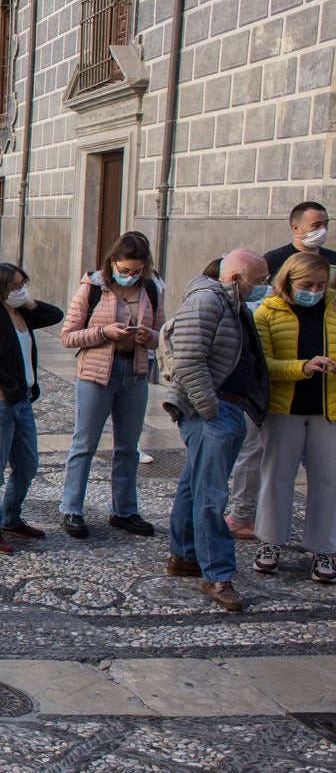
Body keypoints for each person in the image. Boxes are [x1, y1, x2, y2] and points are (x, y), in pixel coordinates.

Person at [163, 248, 271, 612]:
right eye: (259, 281)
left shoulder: (231, 303)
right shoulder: (208, 302)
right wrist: (210, 409)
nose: (265, 287)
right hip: (212, 409)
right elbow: (189, 359)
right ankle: (218, 575)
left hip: (225, 407)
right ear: (236, 278)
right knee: (211, 495)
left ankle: (184, 555)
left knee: (194, 485)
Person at [57, 233, 164, 540]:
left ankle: (124, 510)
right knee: (84, 443)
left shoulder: (151, 289)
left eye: (136, 271)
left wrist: (149, 336)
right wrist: (104, 332)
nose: (130, 276)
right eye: (125, 270)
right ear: (112, 262)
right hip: (96, 374)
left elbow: (162, 332)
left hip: (135, 372)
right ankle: (72, 508)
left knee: (128, 447)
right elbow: (68, 336)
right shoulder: (92, 288)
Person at [0, 264, 65, 554]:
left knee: (28, 463)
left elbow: (55, 315)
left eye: (23, 283)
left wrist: (29, 302)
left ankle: (11, 517)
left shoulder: (23, 314)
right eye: (15, 286)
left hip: (22, 402)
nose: (20, 290)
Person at [252, 253, 336, 584]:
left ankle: (324, 547)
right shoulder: (268, 312)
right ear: (288, 282)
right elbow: (264, 364)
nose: (314, 291)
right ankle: (270, 543)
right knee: (276, 476)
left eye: (321, 285)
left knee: (328, 480)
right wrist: (302, 367)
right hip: (283, 407)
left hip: (327, 409)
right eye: (306, 285)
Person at [263, 201, 334, 277]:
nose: (323, 229)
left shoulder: (333, 258)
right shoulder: (274, 259)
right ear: (296, 228)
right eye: (317, 225)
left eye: (325, 224)